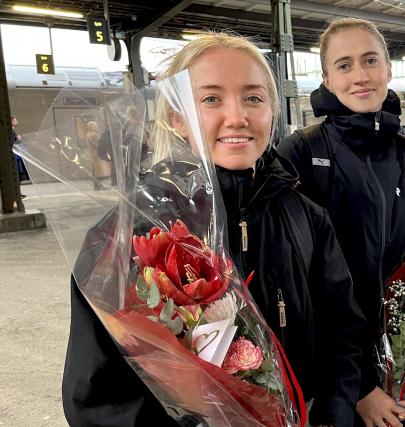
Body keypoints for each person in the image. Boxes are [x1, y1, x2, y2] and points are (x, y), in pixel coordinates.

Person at [62, 32, 366, 427]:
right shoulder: (127, 236)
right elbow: (97, 392)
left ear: (272, 110)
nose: (237, 116)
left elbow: (342, 333)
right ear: (176, 117)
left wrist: (333, 416)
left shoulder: (307, 218)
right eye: (211, 99)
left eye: (254, 98)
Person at [277, 18, 405, 427]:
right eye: (344, 65)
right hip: (340, 384)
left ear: (388, 68)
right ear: (327, 79)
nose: (361, 76)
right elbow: (298, 287)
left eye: (370, 61)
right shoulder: (299, 154)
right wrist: (360, 386)